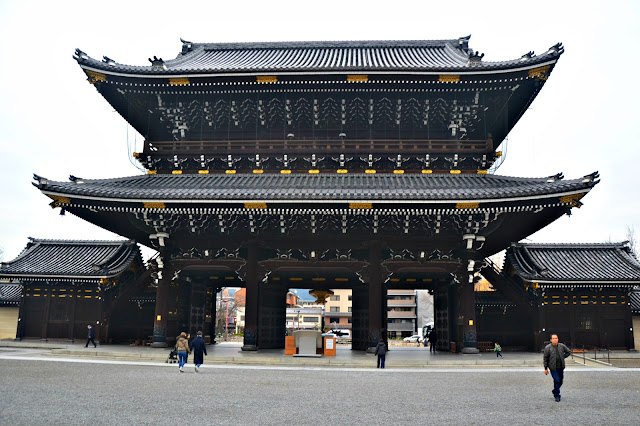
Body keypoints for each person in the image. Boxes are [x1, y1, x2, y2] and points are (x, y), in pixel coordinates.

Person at [543, 334, 572, 402]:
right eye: (553, 338)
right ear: (551, 340)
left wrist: (563, 357)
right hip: (553, 367)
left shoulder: (562, 346)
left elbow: (568, 352)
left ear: (558, 339)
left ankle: (555, 390)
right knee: (556, 380)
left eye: (556, 338)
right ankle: (557, 395)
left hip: (561, 366)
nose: (555, 339)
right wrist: (545, 368)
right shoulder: (548, 348)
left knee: (561, 381)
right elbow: (545, 358)